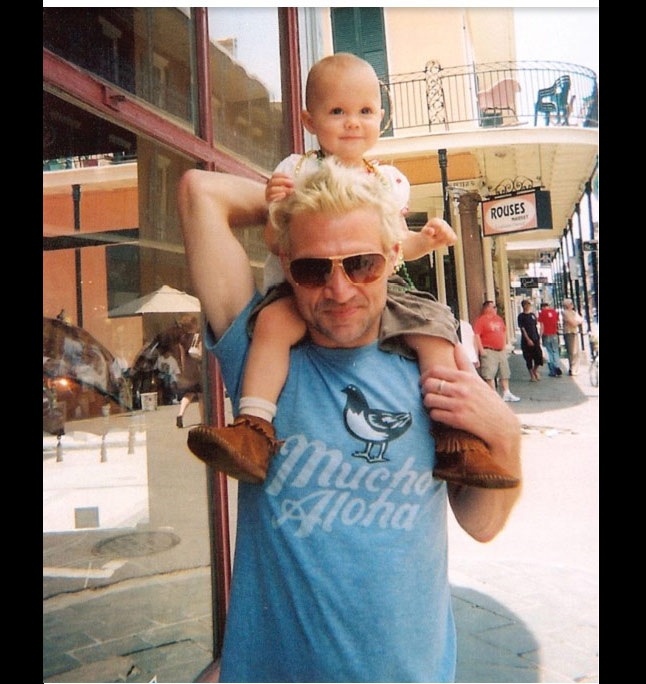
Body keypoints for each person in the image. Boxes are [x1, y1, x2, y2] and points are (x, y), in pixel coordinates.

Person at [177, 159, 522, 682]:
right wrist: (293, 204)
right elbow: (198, 191)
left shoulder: (435, 370)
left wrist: (507, 437)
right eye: (313, 269)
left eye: (361, 264)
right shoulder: (261, 357)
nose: (339, 290)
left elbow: (483, 524)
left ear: (393, 255)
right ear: (285, 262)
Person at [200, 52, 517, 490]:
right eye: (337, 111)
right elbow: (276, 241)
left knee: (435, 329)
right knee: (273, 323)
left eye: (365, 111)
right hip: (300, 287)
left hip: (385, 287)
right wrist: (273, 206)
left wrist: (426, 241)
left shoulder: (388, 181)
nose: (352, 122)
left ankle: (455, 437)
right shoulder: (295, 171)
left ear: (381, 119)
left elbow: (396, 247)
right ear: (309, 121)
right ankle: (253, 429)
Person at [473, 301, 521, 401]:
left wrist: (503, 344)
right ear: (487, 308)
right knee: (489, 373)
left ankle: (506, 392)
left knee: (504, 372)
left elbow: (503, 331)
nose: (496, 309)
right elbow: (476, 336)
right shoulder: (481, 320)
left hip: (500, 350)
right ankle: (493, 395)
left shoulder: (498, 319)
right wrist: (481, 350)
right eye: (494, 307)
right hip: (488, 350)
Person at [174, 314, 203, 428]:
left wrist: (184, 369)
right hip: (199, 369)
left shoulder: (182, 338)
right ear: (194, 324)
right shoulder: (198, 336)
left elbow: (182, 356)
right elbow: (200, 353)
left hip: (188, 370)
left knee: (188, 394)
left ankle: (180, 414)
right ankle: (203, 419)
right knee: (201, 395)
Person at [517, 300, 543, 381]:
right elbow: (523, 329)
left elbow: (535, 326)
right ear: (523, 306)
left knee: (539, 357)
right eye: (526, 305)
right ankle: (532, 375)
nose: (528, 306)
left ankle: (535, 370)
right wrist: (528, 339)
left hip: (535, 338)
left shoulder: (532, 315)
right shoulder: (521, 316)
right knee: (528, 358)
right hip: (526, 340)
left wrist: (539, 337)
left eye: (529, 305)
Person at [537, 301, 562, 377]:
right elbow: (557, 323)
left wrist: (540, 337)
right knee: (555, 351)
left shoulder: (541, 313)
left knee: (548, 352)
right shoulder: (554, 312)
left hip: (546, 334)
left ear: (542, 307)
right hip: (554, 334)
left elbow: (542, 326)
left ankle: (552, 371)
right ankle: (557, 365)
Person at [562, 298, 584, 376]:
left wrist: (577, 321)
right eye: (571, 304)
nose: (572, 305)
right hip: (569, 333)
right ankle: (572, 369)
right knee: (572, 352)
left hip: (574, 332)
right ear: (567, 305)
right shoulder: (565, 313)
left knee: (577, 352)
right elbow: (573, 322)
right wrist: (577, 321)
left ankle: (575, 368)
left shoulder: (574, 312)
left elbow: (581, 319)